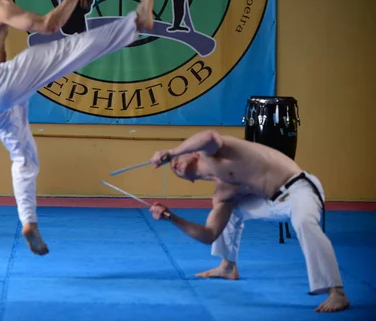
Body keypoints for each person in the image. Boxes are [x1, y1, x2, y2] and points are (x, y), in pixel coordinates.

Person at [0, 0, 154, 256]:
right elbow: (49, 25)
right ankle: (136, 22)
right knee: (65, 50)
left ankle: (28, 223)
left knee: (25, 158)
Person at [147, 130, 350, 313]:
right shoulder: (223, 190)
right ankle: (227, 266)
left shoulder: (212, 152)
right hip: (272, 201)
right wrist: (169, 216)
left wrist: (171, 151)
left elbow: (209, 136)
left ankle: (336, 291)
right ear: (189, 181)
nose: (173, 164)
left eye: (177, 159)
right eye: (173, 169)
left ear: (195, 153)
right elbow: (209, 234)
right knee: (232, 208)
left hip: (299, 188)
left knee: (304, 222)